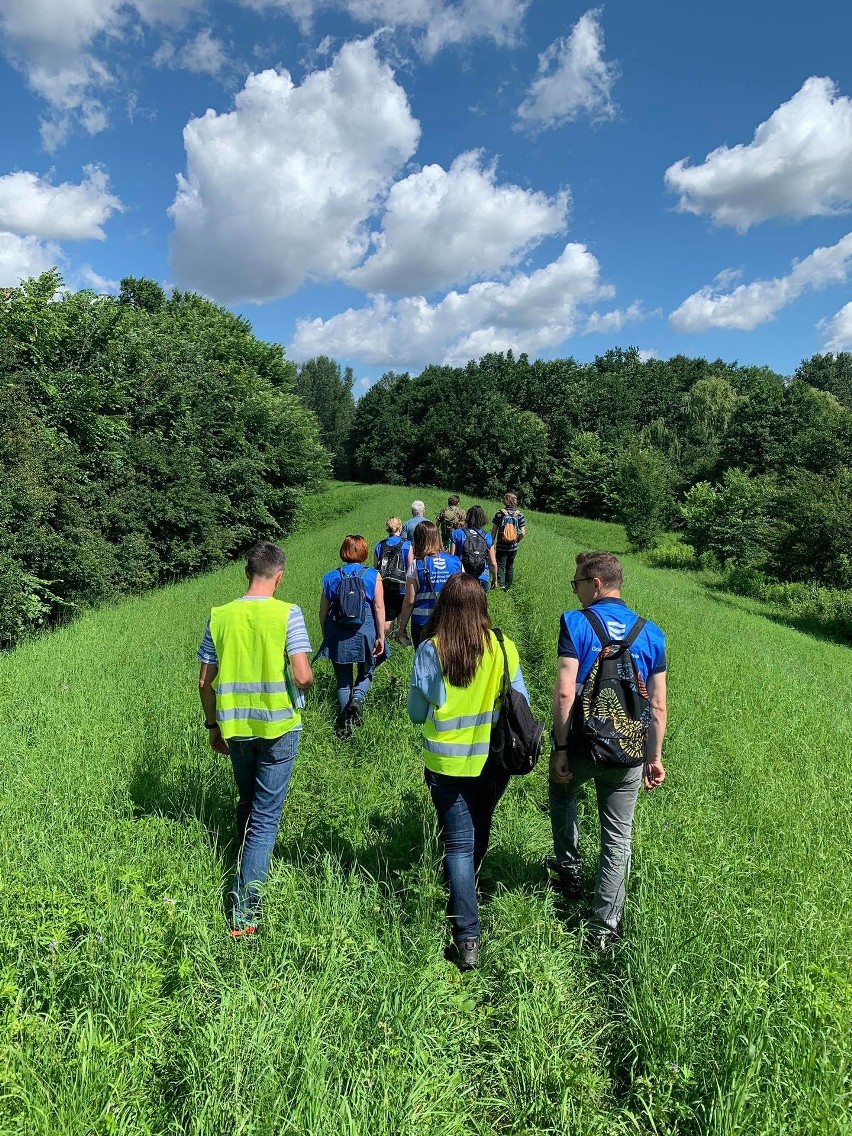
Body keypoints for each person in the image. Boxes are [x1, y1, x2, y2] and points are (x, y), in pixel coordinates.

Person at [407, 573, 530, 970]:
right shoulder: (502, 646)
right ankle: (469, 891)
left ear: (444, 604)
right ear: (482, 605)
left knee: (456, 844)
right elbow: (520, 700)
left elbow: (415, 714)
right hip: (493, 763)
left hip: (446, 763)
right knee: (479, 829)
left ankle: (466, 937)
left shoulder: (430, 650)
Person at [549, 551, 667, 951]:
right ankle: (603, 927)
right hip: (629, 749)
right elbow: (658, 705)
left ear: (595, 583)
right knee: (618, 836)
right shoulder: (651, 632)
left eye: (578, 583)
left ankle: (568, 868)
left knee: (562, 791)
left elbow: (566, 690)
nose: (577, 590)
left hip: (583, 742)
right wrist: (654, 757)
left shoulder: (575, 623)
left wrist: (562, 748)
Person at [197, 540, 313, 937]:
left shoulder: (219, 616)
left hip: (235, 728)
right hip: (278, 726)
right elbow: (301, 675)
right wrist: (305, 688)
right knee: (265, 820)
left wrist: (213, 725)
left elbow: (204, 682)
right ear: (278, 576)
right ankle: (245, 915)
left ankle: (241, 858)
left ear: (246, 573)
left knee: (247, 800)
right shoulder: (288, 614)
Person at [317, 535, 386, 738]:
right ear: (364, 553)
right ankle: (358, 698)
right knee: (367, 669)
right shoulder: (373, 575)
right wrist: (381, 636)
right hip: (365, 631)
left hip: (338, 632)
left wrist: (326, 633)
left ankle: (344, 727)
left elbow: (323, 611)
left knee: (343, 680)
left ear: (343, 551)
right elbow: (379, 607)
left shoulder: (330, 577)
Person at [396, 521, 462, 647]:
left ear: (418, 539)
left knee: (424, 663)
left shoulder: (417, 565)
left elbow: (409, 601)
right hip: (450, 622)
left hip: (423, 623)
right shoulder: (456, 562)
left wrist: (402, 627)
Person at [374, 517, 411, 635]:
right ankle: (400, 638)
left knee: (388, 617)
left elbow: (375, 568)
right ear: (400, 528)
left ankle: (385, 641)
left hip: (385, 587)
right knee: (401, 615)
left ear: (387, 529)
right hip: (403, 587)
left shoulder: (380, 545)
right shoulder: (407, 545)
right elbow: (411, 568)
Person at [452, 505, 497, 591]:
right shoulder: (487, 536)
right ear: (483, 518)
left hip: (462, 577)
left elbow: (452, 557)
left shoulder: (457, 533)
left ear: (467, 518)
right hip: (482, 578)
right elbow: (493, 562)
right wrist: (495, 580)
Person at [491, 492, 526, 591]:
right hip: (513, 547)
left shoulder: (500, 513)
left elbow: (494, 530)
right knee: (510, 566)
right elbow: (523, 533)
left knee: (501, 565)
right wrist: (517, 541)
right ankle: (508, 587)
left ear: (506, 501)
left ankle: (500, 586)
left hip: (501, 545)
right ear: (514, 502)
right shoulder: (519, 515)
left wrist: (491, 543)